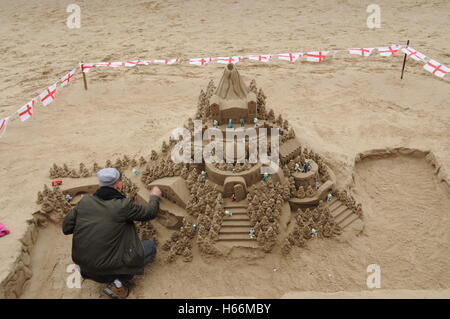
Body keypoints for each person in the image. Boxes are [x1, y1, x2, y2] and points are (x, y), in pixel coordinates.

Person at [62, 167, 161, 299]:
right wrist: (154, 196)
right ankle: (118, 283)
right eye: (121, 181)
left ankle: (94, 271)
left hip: (83, 267)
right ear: (118, 184)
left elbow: (66, 228)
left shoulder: (84, 202)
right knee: (149, 247)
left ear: (100, 184)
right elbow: (150, 213)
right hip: (105, 269)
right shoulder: (122, 205)